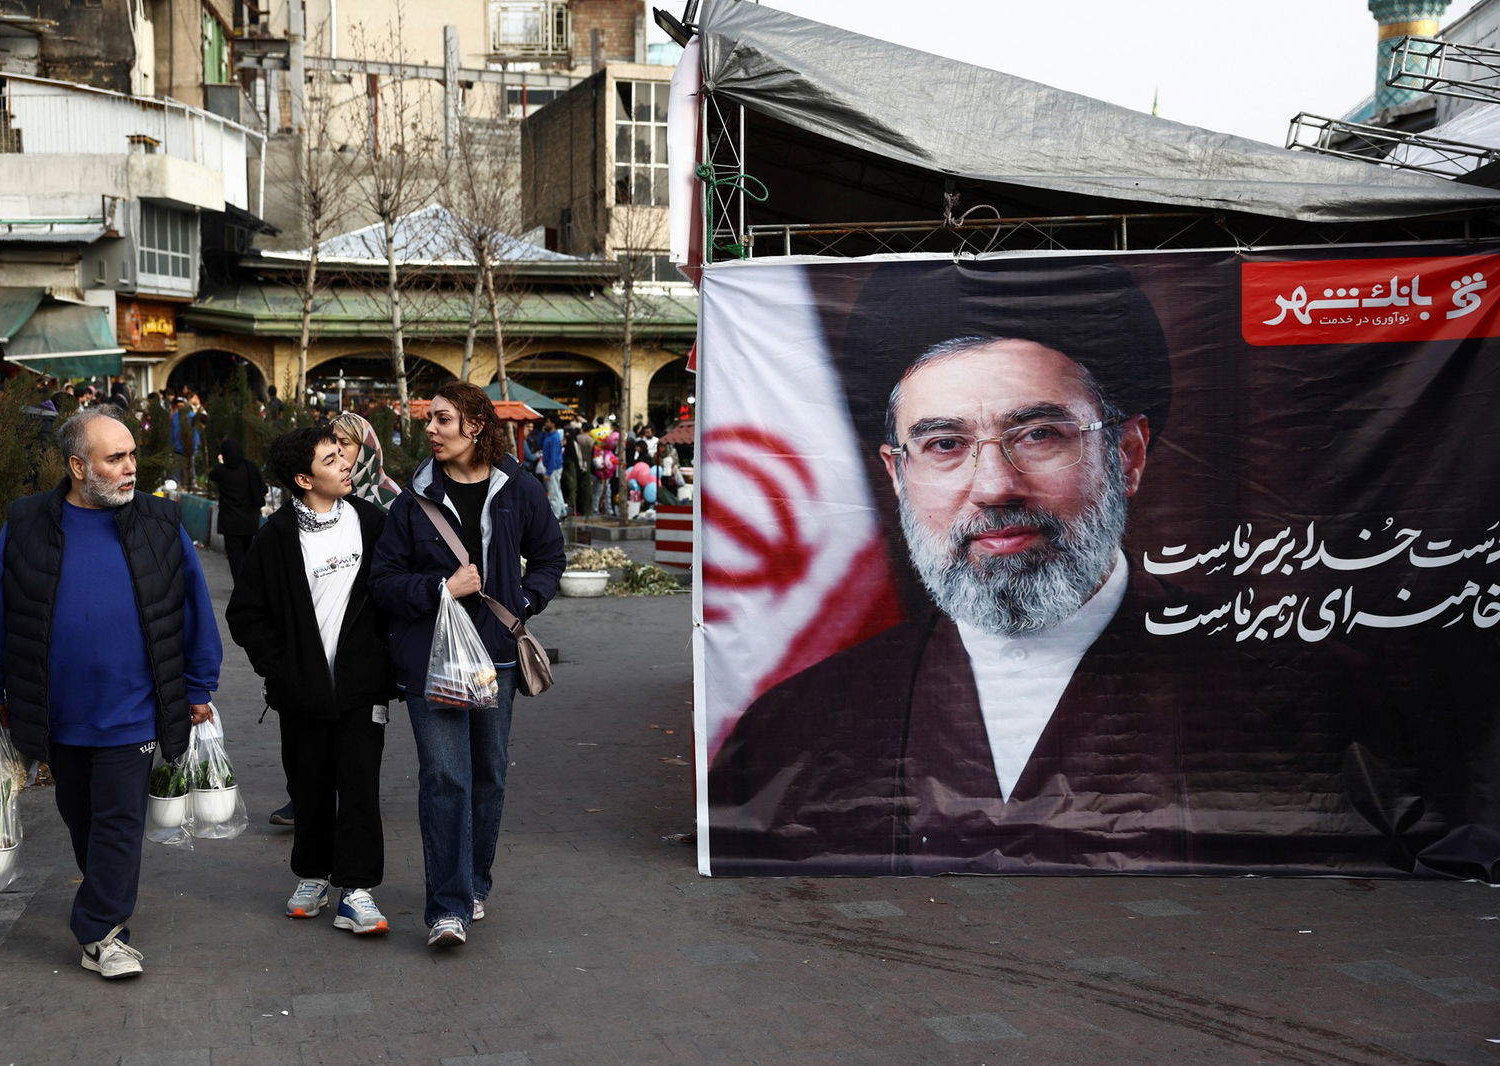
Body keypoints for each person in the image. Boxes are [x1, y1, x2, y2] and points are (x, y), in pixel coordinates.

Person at [706, 275, 1462, 879]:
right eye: (943, 445)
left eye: (1038, 434)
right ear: (897, 475)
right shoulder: (793, 728)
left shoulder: (1309, 698)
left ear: (1127, 455)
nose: (994, 485)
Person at [0, 408, 221, 978]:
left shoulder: (160, 521)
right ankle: (104, 916)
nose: (131, 469)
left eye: (132, 455)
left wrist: (200, 685)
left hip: (133, 711)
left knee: (119, 821)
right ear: (78, 466)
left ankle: (102, 931)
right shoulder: (25, 523)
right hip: (55, 713)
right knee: (82, 818)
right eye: (115, 459)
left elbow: (193, 609)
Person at [370, 382, 565, 949]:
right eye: (430, 420)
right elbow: (383, 584)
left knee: (488, 775)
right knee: (445, 778)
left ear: (475, 426)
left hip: (496, 660)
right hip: (430, 662)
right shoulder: (413, 501)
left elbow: (551, 556)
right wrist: (440, 589)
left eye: (443, 420)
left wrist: (524, 603)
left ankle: (475, 882)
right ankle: (447, 908)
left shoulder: (518, 490)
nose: (430, 430)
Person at [225, 427, 399, 937]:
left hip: (363, 688)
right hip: (301, 694)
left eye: (342, 452)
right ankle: (314, 876)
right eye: (330, 457)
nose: (345, 461)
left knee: (360, 787)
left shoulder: (373, 522)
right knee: (310, 787)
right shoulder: (276, 536)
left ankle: (358, 889)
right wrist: (280, 668)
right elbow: (246, 613)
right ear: (304, 479)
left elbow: (392, 593)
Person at [208, 437, 265, 579]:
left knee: (235, 557)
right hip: (249, 520)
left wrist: (221, 462)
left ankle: (240, 586)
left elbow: (212, 475)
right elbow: (261, 488)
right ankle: (249, 584)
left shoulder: (221, 471)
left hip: (230, 522)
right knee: (248, 554)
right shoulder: (249, 467)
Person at [329, 411, 401, 510]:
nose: (336, 449)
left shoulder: (390, 498)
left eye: (344, 443)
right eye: (332, 442)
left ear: (365, 451)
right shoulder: (322, 489)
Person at [541, 418, 566, 518]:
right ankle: (562, 511)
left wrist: (548, 472)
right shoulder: (550, 435)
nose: (546, 423)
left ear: (553, 423)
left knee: (553, 492)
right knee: (556, 490)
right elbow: (540, 443)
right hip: (554, 467)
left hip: (553, 468)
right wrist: (543, 433)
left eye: (548, 421)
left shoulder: (555, 437)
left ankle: (556, 515)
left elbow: (554, 456)